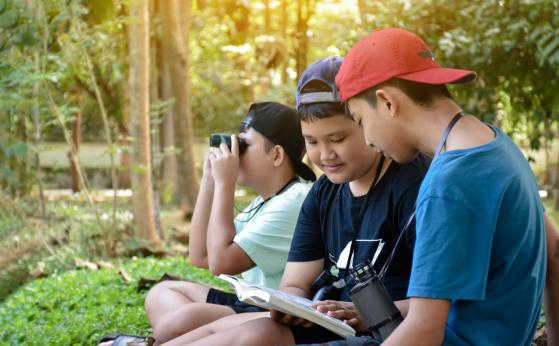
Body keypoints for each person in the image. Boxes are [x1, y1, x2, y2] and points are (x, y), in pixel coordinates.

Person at [157, 57, 429, 346]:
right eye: (311, 142)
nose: (325, 155)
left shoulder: (414, 185)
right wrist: (293, 307)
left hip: (388, 331)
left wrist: (368, 313)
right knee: (186, 328)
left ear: (366, 121)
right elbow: (295, 283)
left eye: (337, 138)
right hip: (331, 322)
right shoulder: (323, 193)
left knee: (255, 336)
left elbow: (440, 306)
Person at [335, 28, 546, 345]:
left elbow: (424, 331)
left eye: (361, 120)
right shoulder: (499, 147)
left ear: (387, 101)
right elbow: (554, 255)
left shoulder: (447, 183)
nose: (367, 140)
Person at [134, 102, 314, 345]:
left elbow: (221, 263)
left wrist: (224, 183)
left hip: (272, 314)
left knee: (178, 321)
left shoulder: (295, 200)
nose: (234, 154)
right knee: (161, 293)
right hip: (249, 305)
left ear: (277, 155)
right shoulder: (266, 202)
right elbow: (201, 256)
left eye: (244, 146)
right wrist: (210, 179)